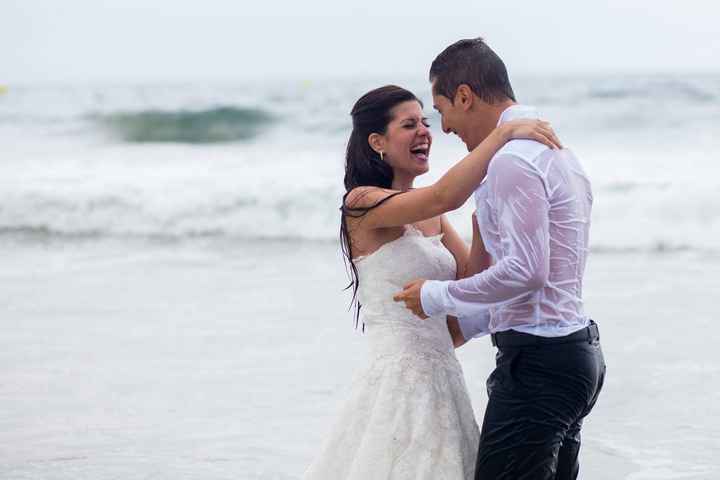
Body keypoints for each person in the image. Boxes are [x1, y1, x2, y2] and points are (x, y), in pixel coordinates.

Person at [302, 84, 560, 479]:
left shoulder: (432, 217)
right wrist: (503, 133)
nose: (425, 131)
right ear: (377, 142)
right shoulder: (361, 203)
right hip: (397, 384)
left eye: (426, 121)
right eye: (409, 125)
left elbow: (468, 289)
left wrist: (484, 226)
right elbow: (445, 195)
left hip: (445, 381)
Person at [394, 38, 606, 480]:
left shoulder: (511, 161)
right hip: (574, 356)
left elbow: (527, 272)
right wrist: (466, 325)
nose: (445, 128)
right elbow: (542, 287)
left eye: (442, 109)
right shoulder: (562, 155)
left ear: (465, 96)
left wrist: (437, 295)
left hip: (540, 368)